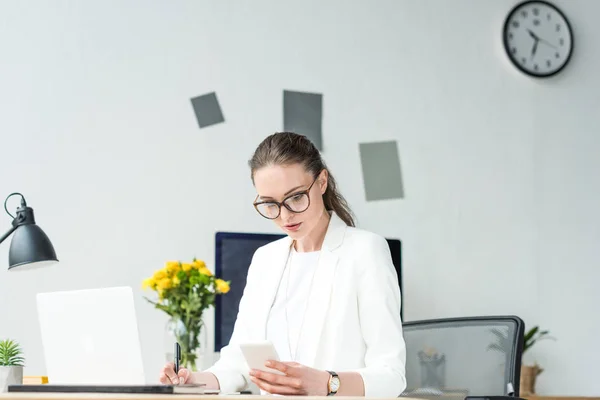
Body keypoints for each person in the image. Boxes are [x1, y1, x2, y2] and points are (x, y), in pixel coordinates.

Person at [160, 132, 406, 397]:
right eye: (270, 204)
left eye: (297, 197)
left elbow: (391, 375)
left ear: (321, 182)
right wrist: (192, 380)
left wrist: (327, 383)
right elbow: (236, 366)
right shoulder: (265, 260)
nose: (285, 215)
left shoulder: (365, 251)